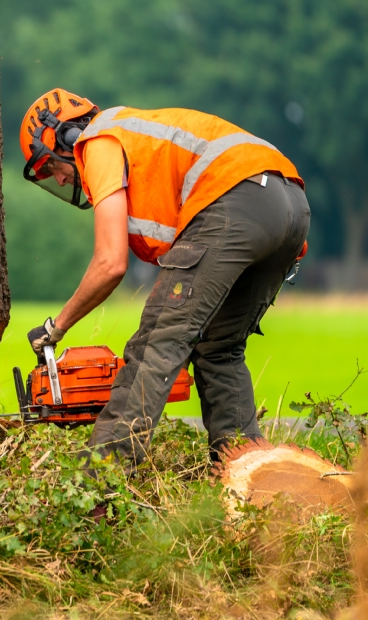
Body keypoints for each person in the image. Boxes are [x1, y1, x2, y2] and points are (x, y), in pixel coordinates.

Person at [20, 88, 310, 465]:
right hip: (289, 205)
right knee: (218, 349)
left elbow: (110, 264)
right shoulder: (130, 133)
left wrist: (55, 327)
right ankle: (247, 477)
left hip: (235, 198)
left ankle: (99, 484)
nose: (58, 180)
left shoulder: (98, 142)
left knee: (156, 344)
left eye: (51, 168)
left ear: (65, 138)